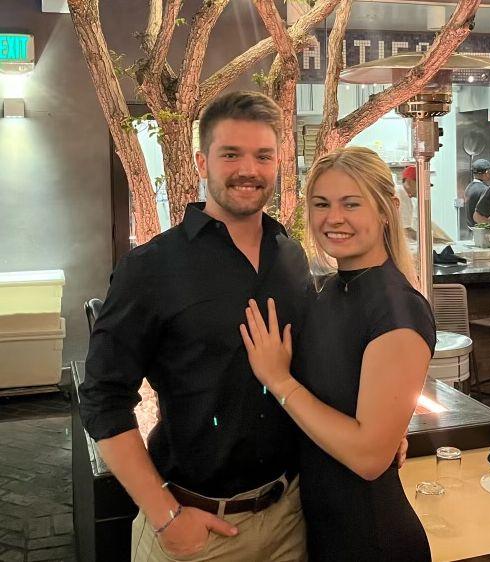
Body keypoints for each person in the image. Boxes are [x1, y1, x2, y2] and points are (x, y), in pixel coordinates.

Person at [79, 92, 407, 562]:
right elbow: (103, 399)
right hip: (197, 527)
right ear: (201, 162)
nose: (248, 169)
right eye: (231, 154)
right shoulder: (151, 267)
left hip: (293, 516)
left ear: (278, 163)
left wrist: (379, 426)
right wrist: (165, 515)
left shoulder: (290, 256)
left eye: (263, 156)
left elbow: (311, 364)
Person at [241, 146, 436, 562]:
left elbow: (368, 457)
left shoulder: (399, 309)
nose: (334, 218)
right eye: (321, 204)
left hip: (371, 541)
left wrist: (279, 381)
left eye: (351, 204)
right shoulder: (328, 290)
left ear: (386, 210)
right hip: (318, 531)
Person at [464, 158, 490, 227]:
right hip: (482, 229)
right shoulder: (485, 190)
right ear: (486, 172)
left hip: (472, 229)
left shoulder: (469, 187)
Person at [396, 165, 416, 230]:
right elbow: (405, 230)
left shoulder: (408, 196)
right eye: (420, 184)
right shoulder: (400, 194)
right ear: (409, 182)